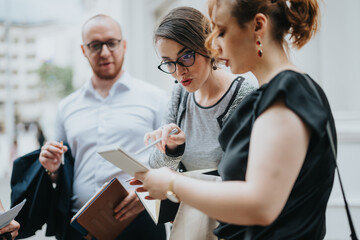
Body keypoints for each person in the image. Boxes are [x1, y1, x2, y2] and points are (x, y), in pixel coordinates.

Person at [133, 0, 337, 239]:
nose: (214, 47)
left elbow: (259, 205)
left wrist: (172, 184)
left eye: (221, 32)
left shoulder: (285, 95)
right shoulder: (279, 92)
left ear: (258, 26)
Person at [12, 14, 167, 240]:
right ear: (84, 50)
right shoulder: (67, 107)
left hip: (139, 225)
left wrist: (148, 195)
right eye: (95, 45)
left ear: (123, 45)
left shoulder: (156, 99)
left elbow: (172, 162)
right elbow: (63, 172)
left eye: (111, 43)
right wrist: (52, 168)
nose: (104, 52)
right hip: (78, 227)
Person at [146, 6, 257, 172]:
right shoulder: (180, 95)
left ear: (208, 45)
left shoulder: (244, 97)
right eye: (169, 63)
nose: (179, 72)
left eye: (186, 56)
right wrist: (172, 148)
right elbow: (155, 165)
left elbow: (240, 175)